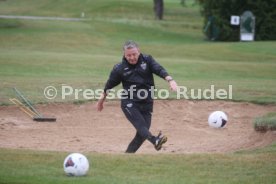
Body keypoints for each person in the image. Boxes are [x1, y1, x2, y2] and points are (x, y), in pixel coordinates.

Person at [97, 40, 178, 153]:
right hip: (129, 102)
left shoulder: (147, 60)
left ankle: (128, 156)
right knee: (141, 126)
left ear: (139, 52)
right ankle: (155, 140)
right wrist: (101, 101)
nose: (132, 57)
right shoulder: (119, 69)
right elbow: (108, 86)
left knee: (142, 134)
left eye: (134, 54)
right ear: (124, 55)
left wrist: (170, 80)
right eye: (128, 55)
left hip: (147, 102)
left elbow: (158, 69)